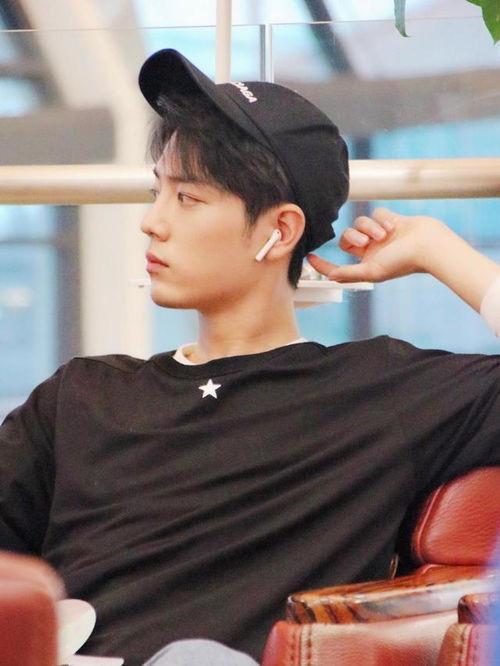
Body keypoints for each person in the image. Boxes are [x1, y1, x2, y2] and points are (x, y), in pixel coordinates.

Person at [0, 49, 499, 666]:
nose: (152, 222)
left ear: (279, 231)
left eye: (188, 199)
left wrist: (439, 251)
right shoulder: (80, 397)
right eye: (158, 193)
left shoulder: (379, 393)